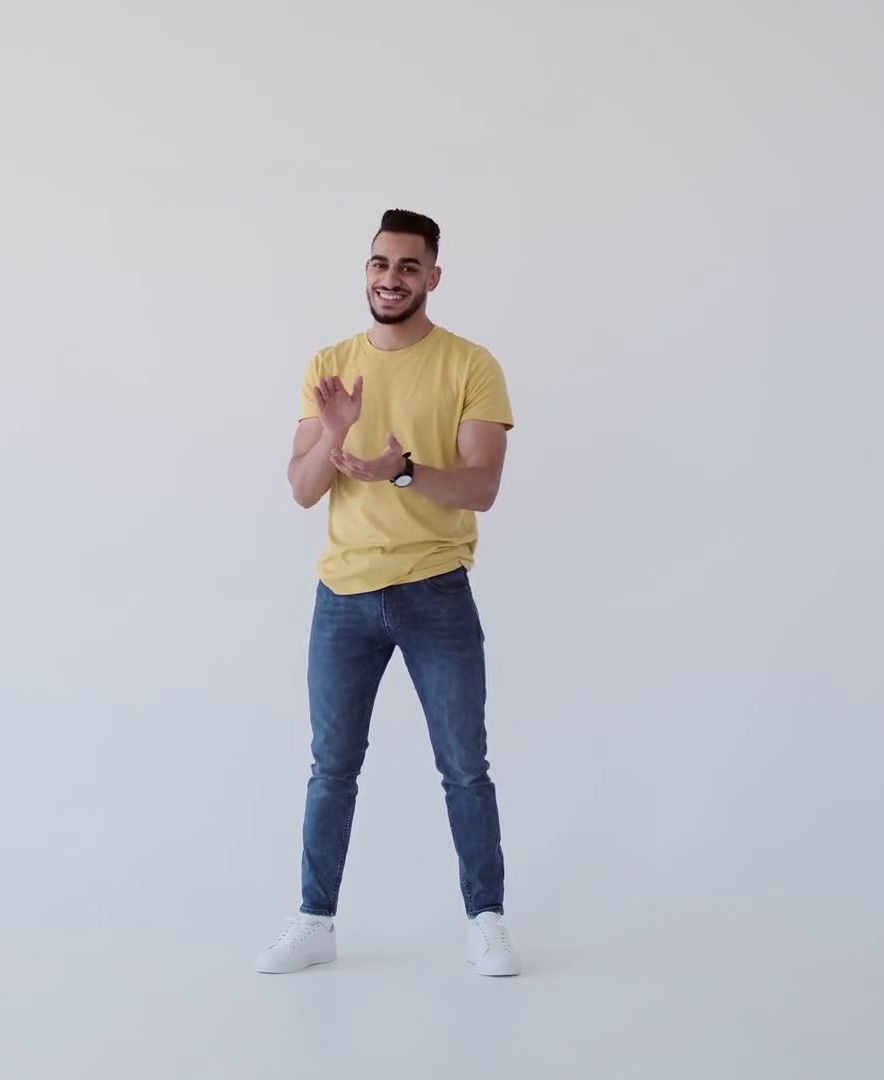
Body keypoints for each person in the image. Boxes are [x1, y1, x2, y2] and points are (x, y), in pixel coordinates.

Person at [255, 209, 521, 977]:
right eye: (380, 263)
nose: (391, 278)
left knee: (464, 765)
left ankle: (487, 921)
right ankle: (315, 921)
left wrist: (403, 471)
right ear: (366, 271)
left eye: (408, 266)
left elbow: (482, 487)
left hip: (436, 591)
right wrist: (336, 435)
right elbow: (302, 489)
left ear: (433, 276)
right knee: (331, 767)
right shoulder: (331, 364)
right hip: (343, 596)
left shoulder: (471, 364)